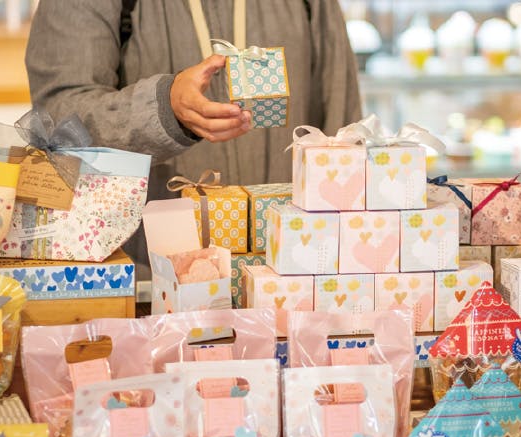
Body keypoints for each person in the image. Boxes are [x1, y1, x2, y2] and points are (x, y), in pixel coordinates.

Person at [25, 1, 362, 274]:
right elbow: (57, 118)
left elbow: (340, 115)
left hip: (288, 276)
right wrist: (164, 108)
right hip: (151, 280)